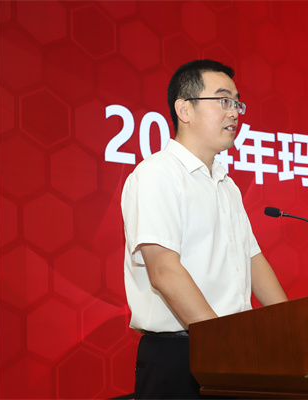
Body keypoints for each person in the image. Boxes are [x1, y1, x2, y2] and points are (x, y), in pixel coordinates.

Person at [121, 59, 288, 399]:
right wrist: (221, 343)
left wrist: (293, 328)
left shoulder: (226, 185)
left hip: (232, 349)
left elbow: (253, 262)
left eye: (237, 103)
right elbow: (164, 271)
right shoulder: (157, 174)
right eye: (223, 100)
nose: (235, 113)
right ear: (184, 109)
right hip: (181, 356)